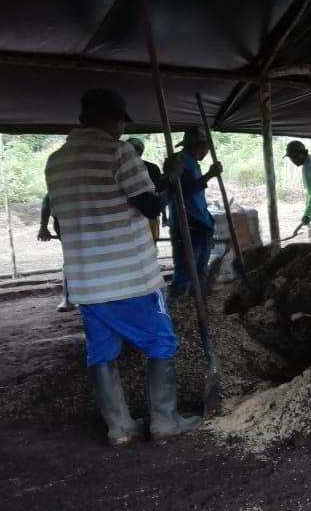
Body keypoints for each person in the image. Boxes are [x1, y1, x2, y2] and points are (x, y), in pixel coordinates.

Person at [44, 88, 200, 446]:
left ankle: (119, 427)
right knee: (161, 341)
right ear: (114, 120)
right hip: (131, 277)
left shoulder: (55, 161)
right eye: (120, 123)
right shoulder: (119, 152)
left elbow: (61, 217)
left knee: (101, 350)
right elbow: (150, 207)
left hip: (86, 282)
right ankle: (165, 421)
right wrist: (170, 178)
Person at [166, 127, 222, 296]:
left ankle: (196, 304)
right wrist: (210, 175)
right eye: (207, 148)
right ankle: (176, 305)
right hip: (187, 226)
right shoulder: (180, 162)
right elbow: (184, 190)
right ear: (201, 147)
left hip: (200, 225)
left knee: (200, 272)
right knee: (184, 274)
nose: (207, 152)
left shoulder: (191, 162)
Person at [125, 137, 167, 242]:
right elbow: (160, 192)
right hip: (136, 215)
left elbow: (159, 191)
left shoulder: (151, 168)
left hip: (144, 214)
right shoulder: (151, 167)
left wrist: (163, 214)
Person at [37, 195, 74, 311]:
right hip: (63, 222)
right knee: (70, 259)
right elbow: (47, 201)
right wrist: (43, 226)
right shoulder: (58, 188)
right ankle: (68, 298)